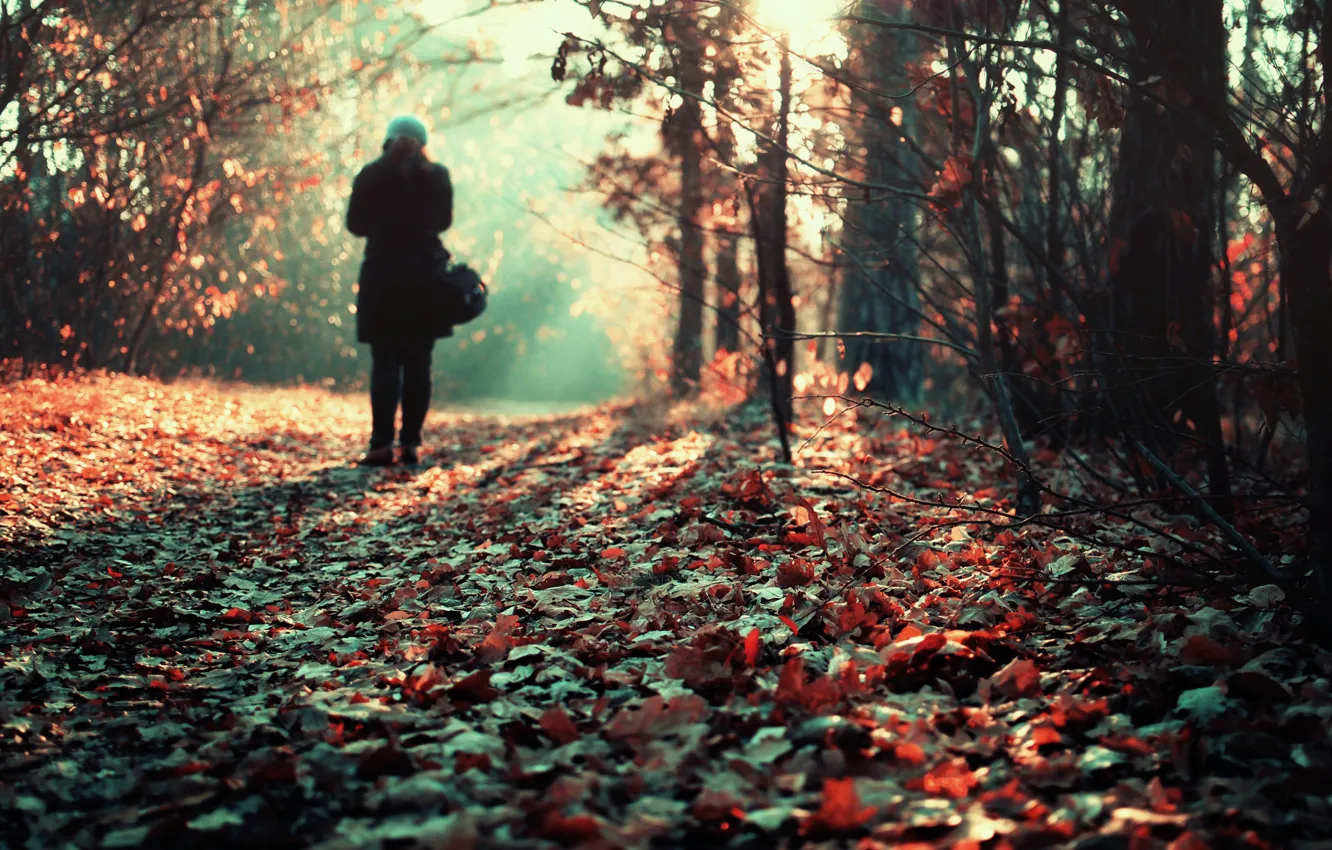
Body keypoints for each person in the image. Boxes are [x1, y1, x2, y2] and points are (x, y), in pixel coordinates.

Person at [346, 114, 454, 466]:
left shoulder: (370, 175)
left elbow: (355, 225)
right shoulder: (437, 177)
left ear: (388, 140)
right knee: (419, 362)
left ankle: (380, 445)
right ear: (423, 144)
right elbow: (444, 222)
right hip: (425, 278)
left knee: (385, 362)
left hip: (382, 277)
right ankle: (410, 444)